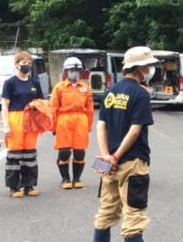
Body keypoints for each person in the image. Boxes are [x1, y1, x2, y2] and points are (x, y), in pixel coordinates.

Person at [93, 46, 158, 242]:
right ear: (140, 68)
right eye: (149, 65)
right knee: (134, 217)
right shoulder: (140, 94)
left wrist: (107, 157)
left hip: (109, 163)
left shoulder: (110, 92)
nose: (151, 69)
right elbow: (135, 130)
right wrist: (115, 157)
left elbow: (101, 126)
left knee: (105, 213)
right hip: (132, 162)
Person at [2, 51, 44, 198]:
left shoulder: (34, 83)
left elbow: (41, 102)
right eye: (23, 63)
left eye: (29, 63)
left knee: (30, 154)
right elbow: (5, 105)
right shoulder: (10, 83)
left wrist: (38, 112)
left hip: (31, 120)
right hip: (15, 119)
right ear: (16, 64)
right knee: (14, 154)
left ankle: (29, 185)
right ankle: (14, 187)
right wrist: (6, 125)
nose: (26, 66)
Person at [51, 57, 94, 190]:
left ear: (81, 72)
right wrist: (53, 126)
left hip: (81, 120)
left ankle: (77, 178)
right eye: (71, 70)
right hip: (64, 120)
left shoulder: (85, 88)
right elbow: (53, 108)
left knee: (79, 152)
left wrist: (88, 126)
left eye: (76, 70)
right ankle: (65, 179)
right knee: (64, 151)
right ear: (66, 71)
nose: (74, 72)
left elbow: (90, 108)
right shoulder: (59, 88)